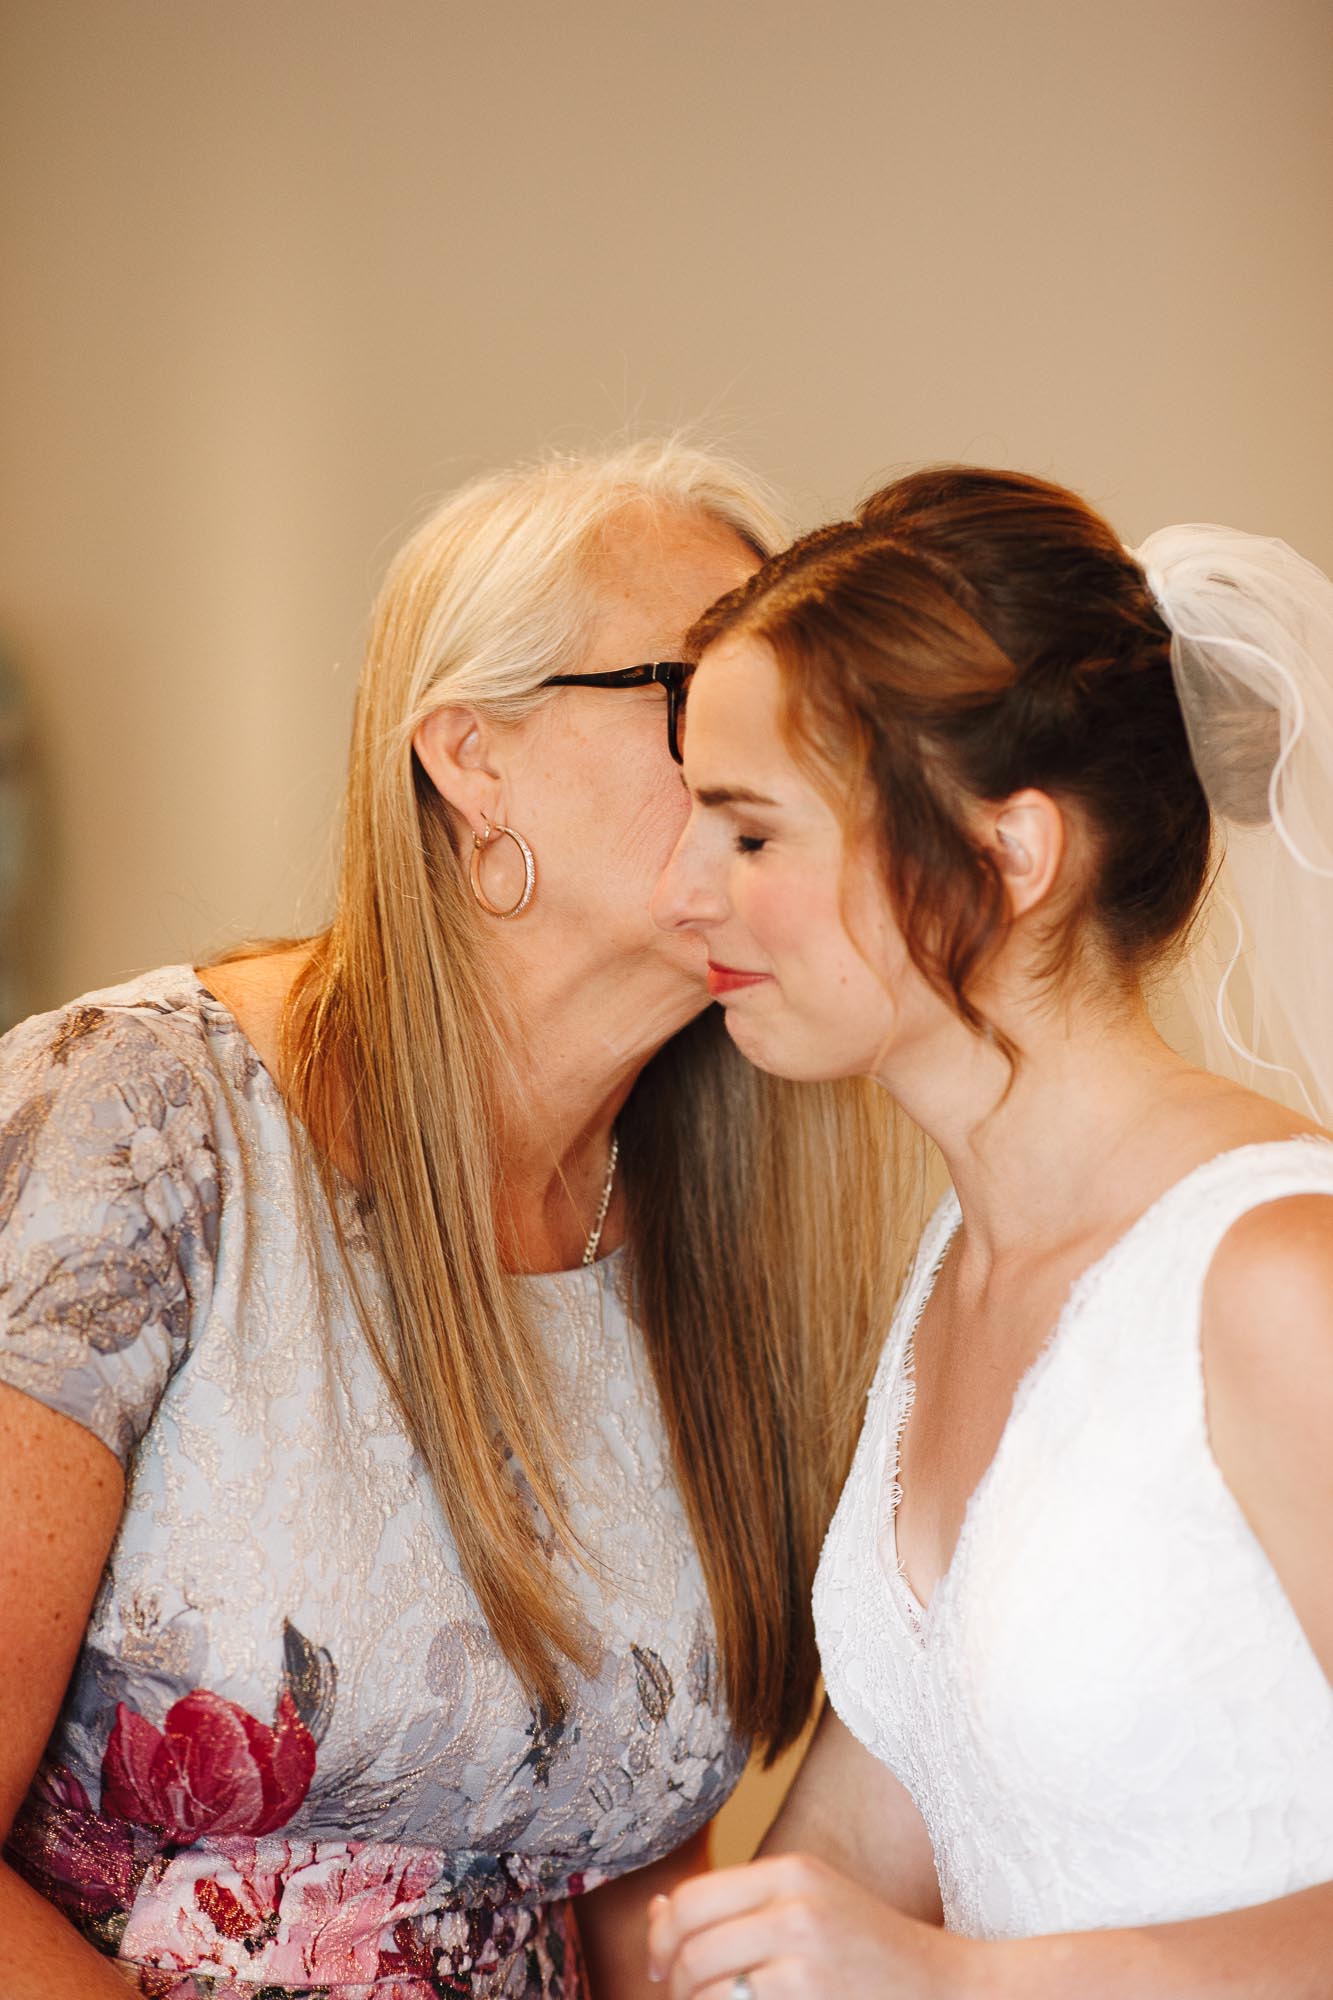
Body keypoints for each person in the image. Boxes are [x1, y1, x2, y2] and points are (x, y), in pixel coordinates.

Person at [0, 442, 905, 2000]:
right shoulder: (139, 1119)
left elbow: (622, 1862)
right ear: (470, 756)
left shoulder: (707, 1235)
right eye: (698, 693)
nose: (782, 765)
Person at [648, 466, 1333, 1995]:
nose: (679, 890)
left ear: (1009, 857)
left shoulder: (1280, 1279)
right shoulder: (956, 1268)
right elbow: (880, 1819)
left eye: (748, 834)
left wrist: (963, 1983)